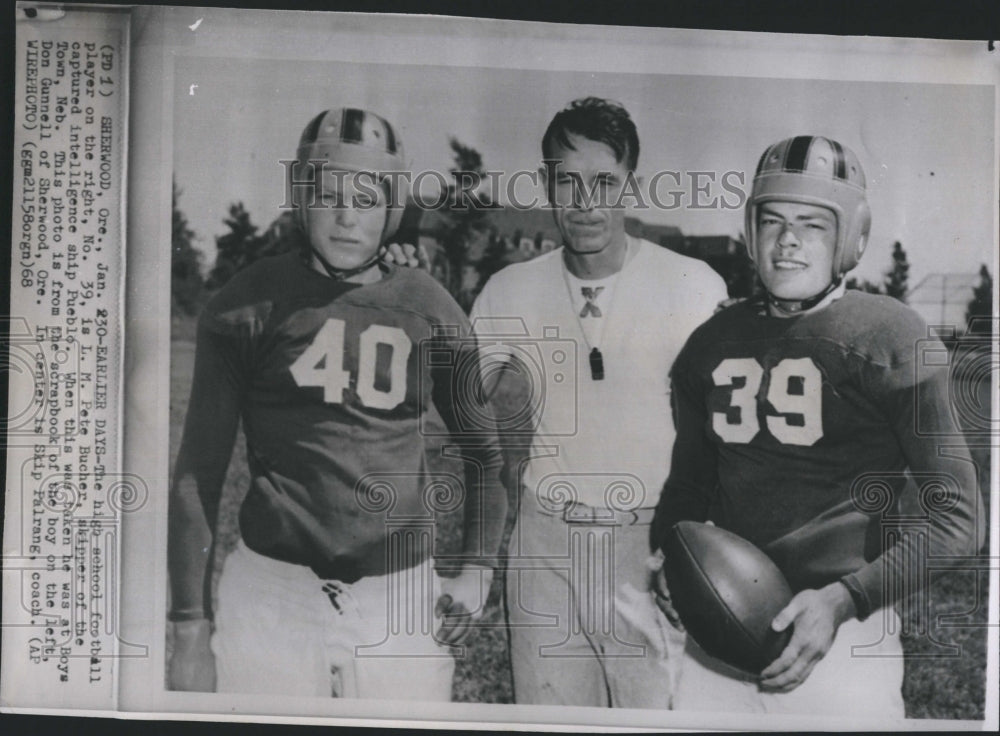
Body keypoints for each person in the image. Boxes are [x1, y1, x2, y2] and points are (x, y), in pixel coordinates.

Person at [167, 107, 506, 700]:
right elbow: (200, 473)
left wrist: (477, 566)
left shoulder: (429, 306)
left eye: (368, 198)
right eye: (328, 195)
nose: (348, 216)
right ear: (301, 199)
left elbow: (485, 453)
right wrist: (189, 629)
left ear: (393, 208)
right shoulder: (246, 303)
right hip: (271, 590)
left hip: (396, 594)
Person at [650, 135, 985, 717]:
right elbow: (688, 487)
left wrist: (842, 600)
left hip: (843, 636)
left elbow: (959, 518)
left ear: (850, 238)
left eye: (812, 224)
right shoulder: (710, 342)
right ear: (751, 230)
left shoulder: (892, 336)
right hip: (719, 633)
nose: (787, 241)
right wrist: (668, 557)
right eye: (773, 220)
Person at [470, 97, 729, 708]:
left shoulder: (693, 285)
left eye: (604, 182)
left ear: (630, 186)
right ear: (545, 184)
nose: (586, 201)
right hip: (544, 546)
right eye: (568, 181)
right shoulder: (510, 289)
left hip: (650, 544)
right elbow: (448, 405)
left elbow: (729, 437)